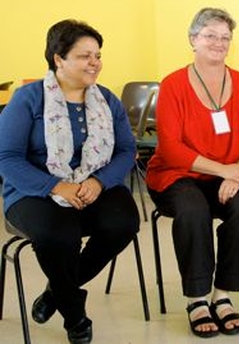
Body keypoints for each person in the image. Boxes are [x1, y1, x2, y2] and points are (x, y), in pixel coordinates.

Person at [0, 20, 139, 344]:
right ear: (58, 59)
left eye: (98, 55)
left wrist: (100, 181)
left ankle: (56, 292)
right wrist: (54, 186)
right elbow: (7, 158)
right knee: (58, 234)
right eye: (84, 56)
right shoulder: (28, 99)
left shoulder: (107, 99)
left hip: (93, 185)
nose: (95, 63)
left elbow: (126, 149)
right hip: (33, 190)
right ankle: (74, 314)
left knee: (123, 223)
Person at [145, 7, 239, 338]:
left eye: (225, 37)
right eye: (210, 35)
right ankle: (197, 298)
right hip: (177, 175)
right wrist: (225, 170)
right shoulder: (173, 84)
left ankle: (223, 295)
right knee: (192, 208)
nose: (219, 42)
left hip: (230, 174)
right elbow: (171, 148)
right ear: (193, 39)